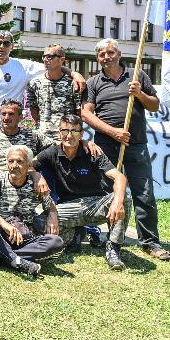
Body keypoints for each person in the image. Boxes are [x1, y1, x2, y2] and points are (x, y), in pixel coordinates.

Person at [81, 38, 170, 261]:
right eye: (102, 54)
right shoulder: (93, 82)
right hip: (106, 146)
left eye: (110, 52)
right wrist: (113, 132)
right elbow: (86, 113)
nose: (106, 57)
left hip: (136, 144)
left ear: (119, 54)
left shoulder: (137, 75)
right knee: (105, 193)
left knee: (144, 193)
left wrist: (140, 94)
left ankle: (150, 242)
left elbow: (154, 105)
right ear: (97, 58)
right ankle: (109, 239)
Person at [33, 114, 132, 270]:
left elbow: (119, 177)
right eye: (65, 131)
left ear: (82, 134)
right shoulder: (51, 152)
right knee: (37, 222)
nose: (69, 135)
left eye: (75, 131)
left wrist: (117, 202)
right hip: (68, 207)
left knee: (123, 197)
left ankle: (113, 248)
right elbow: (29, 166)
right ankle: (74, 236)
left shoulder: (93, 152)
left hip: (94, 205)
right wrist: (37, 175)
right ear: (59, 133)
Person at [0, 146, 64, 276]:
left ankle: (0, 256)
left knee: (56, 242)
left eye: (19, 161)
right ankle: (14, 259)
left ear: (29, 165)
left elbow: (50, 206)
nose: (14, 165)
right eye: (11, 161)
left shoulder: (36, 183)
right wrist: (5, 224)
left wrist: (52, 215)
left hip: (24, 236)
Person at [0, 30, 85, 133]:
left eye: (6, 43)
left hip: (12, 129)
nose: (1, 47)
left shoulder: (23, 66)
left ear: (11, 47)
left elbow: (52, 66)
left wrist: (74, 74)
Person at [0, 99, 57, 176]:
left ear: (20, 117)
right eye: (3, 114)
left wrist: (35, 164)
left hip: (24, 187)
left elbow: (55, 147)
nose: (6, 118)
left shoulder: (32, 135)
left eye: (11, 114)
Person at [27, 44, 83, 138]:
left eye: (50, 57)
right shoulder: (35, 83)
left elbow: (79, 112)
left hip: (67, 137)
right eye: (44, 56)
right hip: (43, 136)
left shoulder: (73, 83)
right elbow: (33, 109)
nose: (45, 59)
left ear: (62, 59)